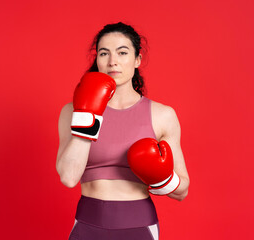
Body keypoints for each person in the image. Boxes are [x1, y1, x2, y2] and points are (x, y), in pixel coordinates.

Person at [56, 22, 190, 240]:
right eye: (104, 53)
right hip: (87, 225)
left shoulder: (162, 115)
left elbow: (182, 191)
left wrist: (162, 177)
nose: (112, 61)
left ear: (137, 60)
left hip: (139, 227)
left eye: (122, 52)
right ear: (97, 60)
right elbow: (69, 178)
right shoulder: (72, 110)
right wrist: (87, 117)